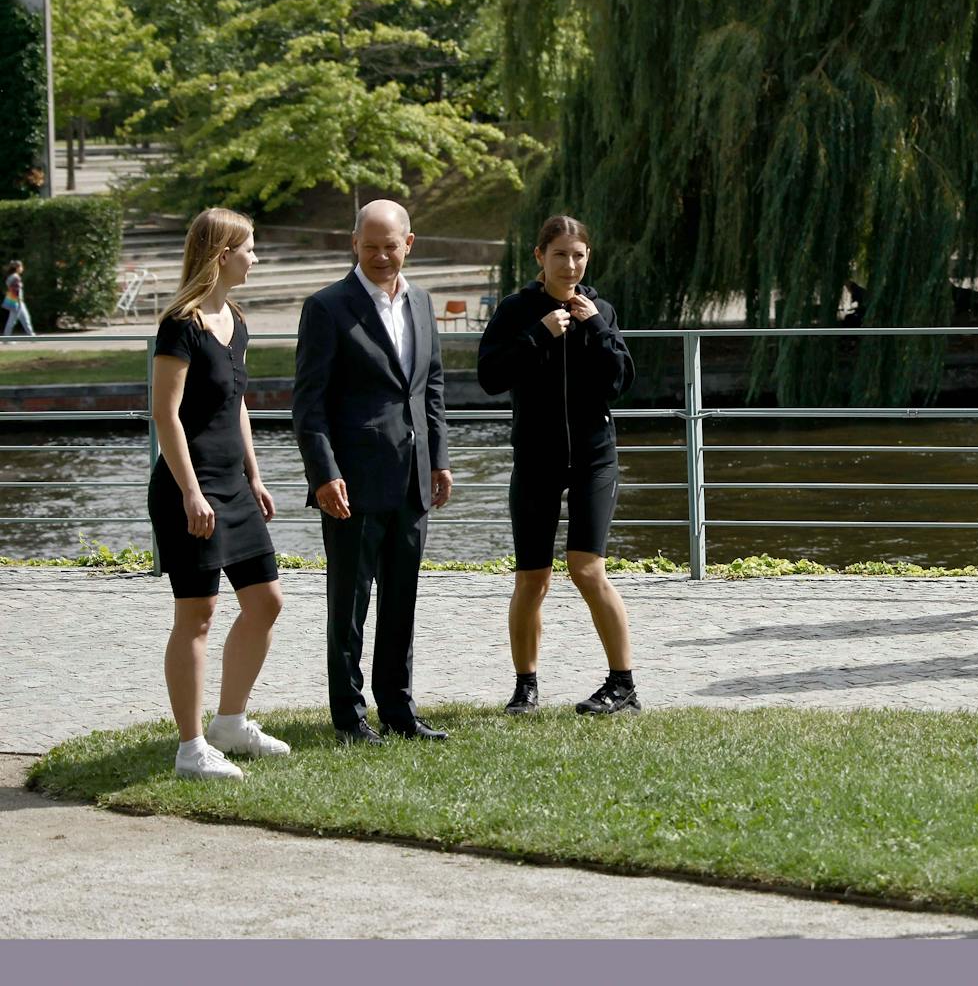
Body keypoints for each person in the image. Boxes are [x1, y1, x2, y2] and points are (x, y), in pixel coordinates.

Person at [292, 199, 453, 744]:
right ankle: (350, 717)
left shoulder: (423, 302)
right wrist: (323, 473)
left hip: (413, 480)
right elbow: (308, 405)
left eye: (391, 246)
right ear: (353, 243)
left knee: (401, 602)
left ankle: (399, 711)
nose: (382, 256)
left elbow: (430, 387)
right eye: (371, 245)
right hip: (352, 484)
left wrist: (441, 459)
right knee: (350, 605)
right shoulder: (327, 307)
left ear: (410, 243)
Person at [477, 216, 639, 716]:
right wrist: (539, 334)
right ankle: (526, 686)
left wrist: (595, 329)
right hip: (536, 458)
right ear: (539, 257)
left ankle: (623, 684)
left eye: (579, 255)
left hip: (594, 457)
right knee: (532, 578)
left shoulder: (600, 309)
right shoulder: (516, 310)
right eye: (561, 255)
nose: (570, 265)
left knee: (587, 568)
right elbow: (489, 376)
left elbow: (621, 382)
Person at [148, 209, 286, 780]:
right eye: (249, 249)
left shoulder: (235, 318)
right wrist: (191, 492)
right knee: (198, 614)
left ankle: (231, 722)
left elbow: (237, 407)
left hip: (234, 486)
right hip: (190, 489)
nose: (255, 258)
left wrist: (254, 476)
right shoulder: (179, 324)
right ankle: (191, 748)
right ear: (222, 254)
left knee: (266, 602)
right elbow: (166, 414)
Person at [3, 260, 34, 336]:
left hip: (18, 302)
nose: (22, 268)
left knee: (26, 319)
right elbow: (15, 291)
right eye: (21, 267)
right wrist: (18, 302)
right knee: (12, 321)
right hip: (16, 302)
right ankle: (6, 338)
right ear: (17, 268)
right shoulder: (15, 277)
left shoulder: (12, 276)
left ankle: (32, 336)